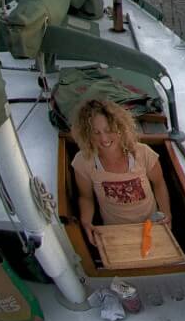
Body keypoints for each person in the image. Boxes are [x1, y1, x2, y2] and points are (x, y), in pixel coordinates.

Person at [70, 98, 171, 247]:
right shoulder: (83, 161)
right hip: (115, 233)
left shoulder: (143, 153)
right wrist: (86, 222)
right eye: (96, 132)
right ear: (87, 134)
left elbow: (159, 184)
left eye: (108, 130)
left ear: (120, 128)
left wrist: (167, 214)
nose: (103, 139)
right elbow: (86, 197)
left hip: (152, 226)